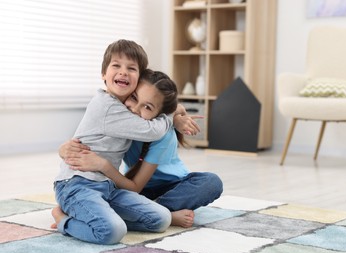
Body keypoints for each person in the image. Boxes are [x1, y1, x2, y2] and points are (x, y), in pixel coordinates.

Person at [52, 40, 176, 245]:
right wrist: (172, 111)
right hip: (76, 185)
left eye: (131, 68)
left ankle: (96, 215)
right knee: (111, 232)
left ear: (140, 79)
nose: (123, 72)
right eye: (116, 65)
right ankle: (62, 219)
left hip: (107, 186)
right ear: (103, 74)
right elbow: (152, 130)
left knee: (161, 219)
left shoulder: (124, 108)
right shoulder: (108, 107)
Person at [59, 76, 223, 229]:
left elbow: (135, 187)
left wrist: (174, 115)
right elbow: (92, 139)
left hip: (172, 186)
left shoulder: (160, 133)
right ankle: (158, 215)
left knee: (211, 182)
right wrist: (65, 149)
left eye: (147, 106)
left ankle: (156, 213)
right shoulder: (121, 122)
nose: (135, 110)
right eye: (134, 98)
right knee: (104, 191)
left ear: (160, 114)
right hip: (134, 186)